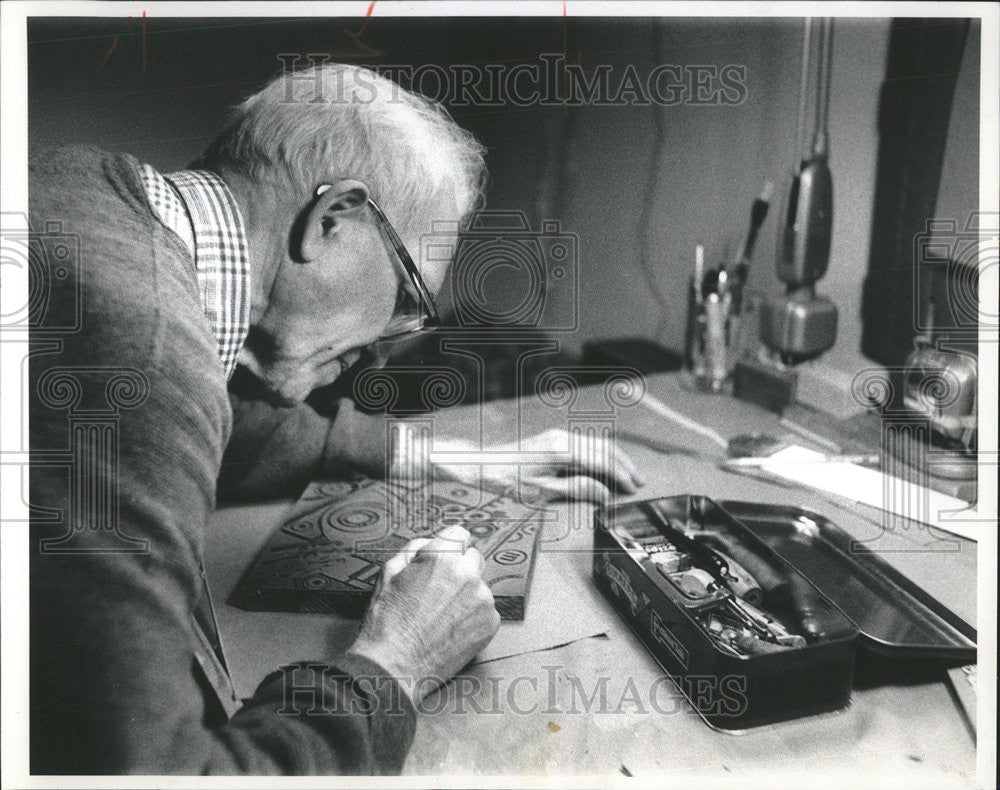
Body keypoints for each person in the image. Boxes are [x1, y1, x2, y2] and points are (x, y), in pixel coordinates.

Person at [28, 63, 641, 775]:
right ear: (333, 221)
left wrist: (436, 457)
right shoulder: (142, 346)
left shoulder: (83, 189)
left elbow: (211, 431)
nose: (392, 337)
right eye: (410, 295)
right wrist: (395, 663)